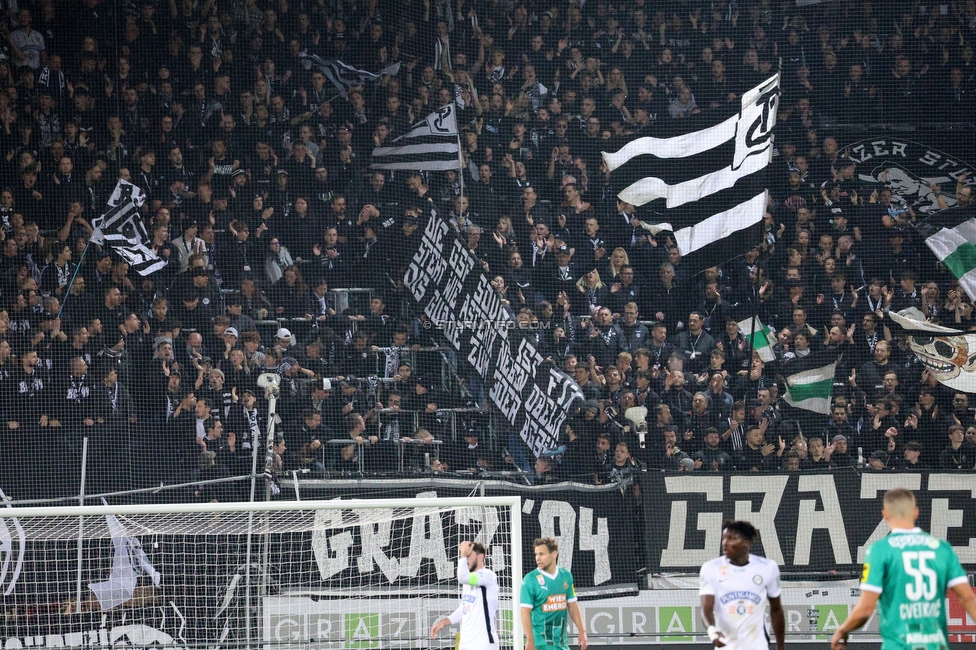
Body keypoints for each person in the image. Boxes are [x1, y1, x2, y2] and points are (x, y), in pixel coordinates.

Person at [831, 488, 976, 650]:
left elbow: (865, 609)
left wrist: (843, 629)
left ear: (885, 514)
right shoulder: (942, 549)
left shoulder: (879, 551)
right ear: (915, 512)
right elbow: (968, 599)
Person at [699, 520, 785, 650]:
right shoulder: (711, 568)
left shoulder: (767, 567)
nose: (725, 543)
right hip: (726, 646)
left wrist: (781, 646)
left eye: (732, 539)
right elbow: (706, 608)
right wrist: (712, 631)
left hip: (757, 645)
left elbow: (776, 609)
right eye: (724, 538)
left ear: (746, 543)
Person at [521, 537, 588, 650]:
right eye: (536, 554)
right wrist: (530, 640)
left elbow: (572, 605)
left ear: (554, 554)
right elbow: (524, 611)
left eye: (542, 554)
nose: (538, 558)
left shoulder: (565, 575)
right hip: (540, 643)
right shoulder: (530, 579)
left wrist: (582, 630)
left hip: (561, 643)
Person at [430, 541, 500, 650]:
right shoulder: (469, 581)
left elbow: (462, 578)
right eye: (465, 555)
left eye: (469, 555)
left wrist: (463, 555)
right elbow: (465, 609)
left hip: (484, 643)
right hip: (466, 644)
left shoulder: (488, 576)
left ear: (481, 557)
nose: (466, 559)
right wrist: (445, 622)